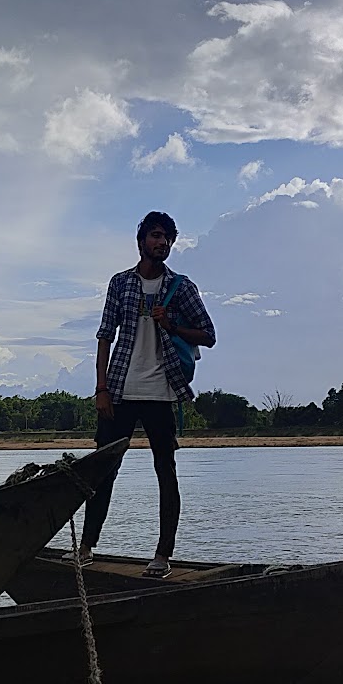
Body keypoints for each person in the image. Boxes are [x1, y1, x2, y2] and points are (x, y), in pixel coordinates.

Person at [77, 210, 216, 577]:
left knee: (165, 472)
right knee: (103, 470)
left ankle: (162, 555)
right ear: (141, 241)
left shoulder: (181, 288)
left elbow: (208, 335)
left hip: (162, 393)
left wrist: (171, 325)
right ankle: (86, 547)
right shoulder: (120, 283)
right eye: (156, 236)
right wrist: (102, 388)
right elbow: (105, 335)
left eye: (167, 238)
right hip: (121, 390)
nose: (162, 243)